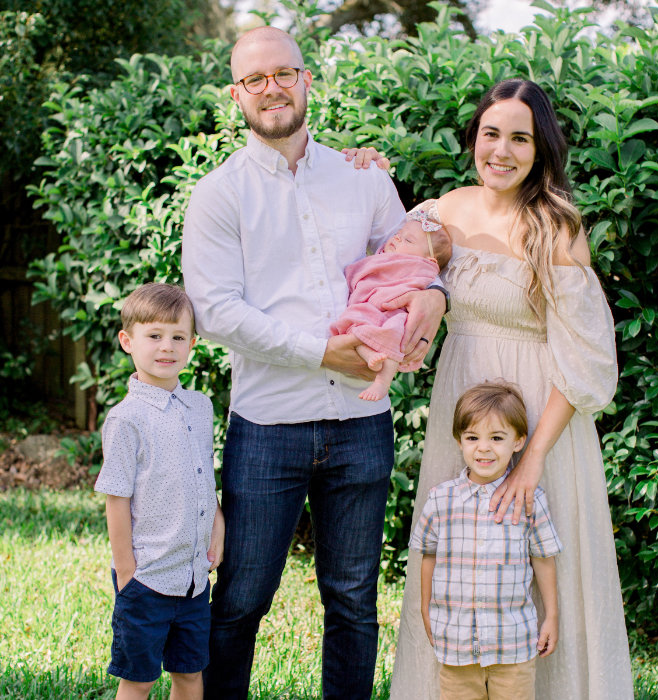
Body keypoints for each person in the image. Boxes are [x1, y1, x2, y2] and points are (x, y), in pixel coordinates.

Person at [180, 26, 447, 699]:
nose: (272, 88)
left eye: (284, 73)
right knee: (242, 597)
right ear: (236, 94)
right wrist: (321, 351)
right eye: (255, 79)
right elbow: (215, 310)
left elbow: (409, 261)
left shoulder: (363, 177)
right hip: (268, 427)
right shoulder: (219, 195)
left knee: (354, 600)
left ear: (306, 80)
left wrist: (434, 300)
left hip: (362, 425)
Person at [387, 79, 634, 699]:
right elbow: (384, 263)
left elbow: (585, 359)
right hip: (463, 409)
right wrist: (367, 168)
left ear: (540, 148)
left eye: (519, 138)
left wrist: (533, 462)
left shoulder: (557, 227)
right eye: (491, 133)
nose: (501, 150)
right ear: (474, 137)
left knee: (544, 557)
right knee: (457, 559)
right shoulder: (442, 211)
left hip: (540, 417)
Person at [94, 282, 224, 700]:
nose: (167, 347)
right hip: (147, 579)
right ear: (127, 341)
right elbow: (117, 498)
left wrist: (217, 525)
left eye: (178, 337)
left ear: (192, 344)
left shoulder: (200, 408)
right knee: (140, 680)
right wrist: (127, 571)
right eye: (154, 335)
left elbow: (205, 474)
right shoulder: (126, 418)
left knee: (190, 675)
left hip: (192, 581)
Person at [411, 381, 561, 700]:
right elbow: (428, 554)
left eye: (496, 437)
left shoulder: (529, 500)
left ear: (519, 441)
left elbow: (543, 557)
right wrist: (425, 608)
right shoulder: (441, 500)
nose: (483, 448)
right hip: (456, 646)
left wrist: (552, 615)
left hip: (513, 646)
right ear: (459, 440)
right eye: (472, 437)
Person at [330, 209, 452, 401]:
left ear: (428, 261)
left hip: (394, 311)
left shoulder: (421, 268)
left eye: (408, 241)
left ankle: (383, 381)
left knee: (396, 331)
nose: (397, 238)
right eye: (398, 234)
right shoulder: (381, 256)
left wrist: (438, 295)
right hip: (368, 307)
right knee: (353, 325)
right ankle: (369, 355)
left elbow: (428, 284)